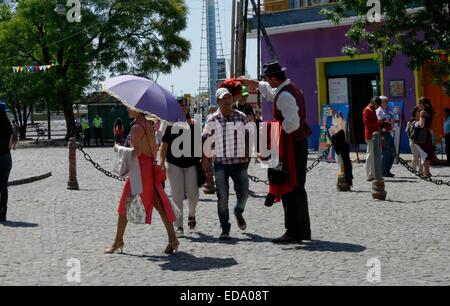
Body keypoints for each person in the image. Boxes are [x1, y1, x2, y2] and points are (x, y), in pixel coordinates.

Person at [241, 60, 313, 244]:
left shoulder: (284, 96)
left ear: (274, 77)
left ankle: (293, 231)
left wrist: (277, 132)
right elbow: (270, 91)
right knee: (298, 187)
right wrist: (252, 83)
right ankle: (303, 229)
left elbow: (292, 123)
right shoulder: (289, 89)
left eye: (267, 78)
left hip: (291, 144)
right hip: (297, 142)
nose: (266, 80)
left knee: (289, 186)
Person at [106, 107, 179, 255]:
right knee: (159, 203)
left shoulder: (136, 127)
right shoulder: (149, 126)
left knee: (124, 204)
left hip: (139, 170)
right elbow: (153, 149)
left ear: (137, 109)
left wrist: (118, 148)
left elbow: (137, 152)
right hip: (149, 167)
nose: (127, 108)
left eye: (130, 106)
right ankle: (173, 239)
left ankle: (118, 240)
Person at [202, 88, 250, 240]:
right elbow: (205, 139)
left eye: (229, 97)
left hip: (240, 163)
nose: (227, 101)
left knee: (243, 195)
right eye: (224, 98)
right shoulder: (212, 119)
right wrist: (206, 160)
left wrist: (248, 149)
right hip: (221, 163)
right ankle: (225, 229)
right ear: (218, 101)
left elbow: (250, 134)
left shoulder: (241, 117)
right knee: (222, 197)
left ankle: (238, 211)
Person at [160, 98, 200, 238]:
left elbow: (200, 145)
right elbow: (164, 146)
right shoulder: (170, 125)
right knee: (176, 195)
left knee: (193, 194)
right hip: (174, 164)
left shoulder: (195, 124)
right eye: (180, 105)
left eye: (185, 105)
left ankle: (192, 214)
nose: (184, 107)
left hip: (191, 164)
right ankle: (179, 226)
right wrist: (161, 163)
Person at [417, 97, 437, 177]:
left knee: (424, 153)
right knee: (427, 153)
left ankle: (426, 172)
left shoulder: (422, 112)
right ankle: (427, 172)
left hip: (422, 134)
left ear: (424, 104)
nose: (418, 105)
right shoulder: (430, 112)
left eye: (420, 103)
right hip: (428, 133)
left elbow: (421, 125)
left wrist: (415, 123)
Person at [363, 97, 381, 182]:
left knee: (373, 155)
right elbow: (367, 123)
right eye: (377, 105)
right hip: (370, 136)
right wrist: (378, 123)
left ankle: (373, 174)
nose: (378, 107)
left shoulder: (372, 110)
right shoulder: (367, 110)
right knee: (370, 155)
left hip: (374, 135)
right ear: (374, 103)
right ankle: (369, 174)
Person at [376, 96, 396, 177]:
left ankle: (387, 169)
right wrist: (387, 121)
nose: (387, 103)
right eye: (385, 101)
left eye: (387, 101)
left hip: (388, 133)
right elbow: (379, 122)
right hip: (383, 133)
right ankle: (384, 170)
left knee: (392, 152)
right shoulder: (379, 111)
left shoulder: (385, 111)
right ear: (381, 102)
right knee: (386, 153)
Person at [0, 102, 13, 223]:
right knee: (3, 186)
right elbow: (10, 141)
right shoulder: (8, 125)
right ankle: (3, 213)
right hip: (6, 157)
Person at [406, 107, 427, 173]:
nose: (420, 112)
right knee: (415, 157)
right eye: (419, 111)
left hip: (421, 141)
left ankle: (420, 171)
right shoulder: (411, 121)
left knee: (422, 156)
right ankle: (414, 170)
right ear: (415, 112)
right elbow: (407, 131)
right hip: (413, 141)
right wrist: (410, 138)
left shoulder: (422, 120)